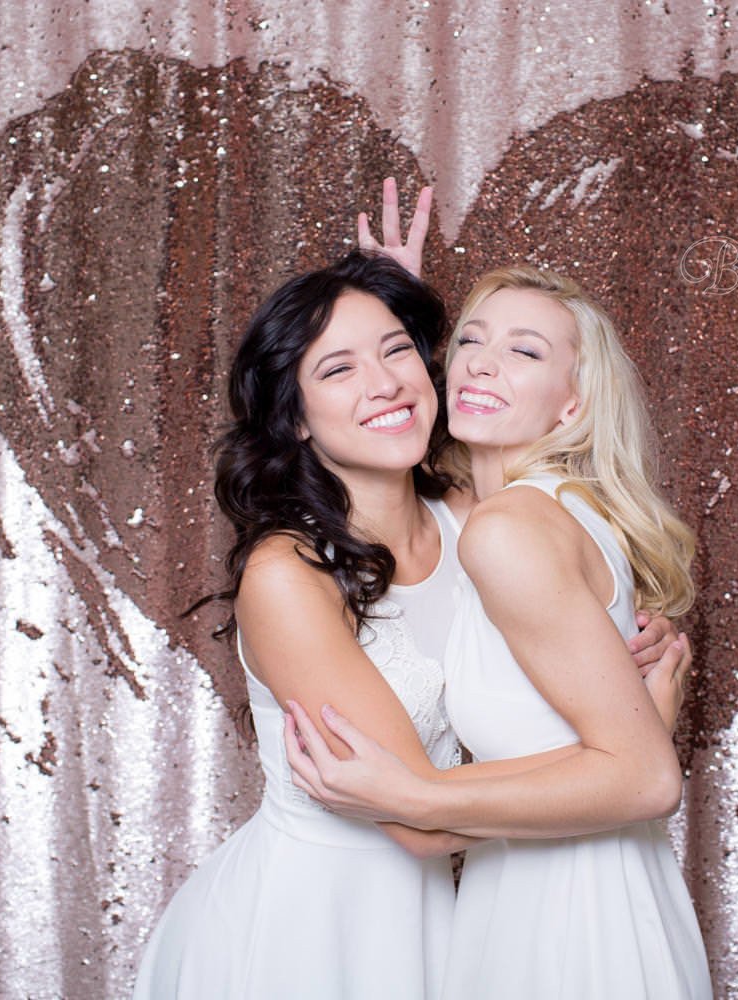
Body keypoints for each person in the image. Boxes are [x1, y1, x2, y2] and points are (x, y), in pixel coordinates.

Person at [132, 250, 687, 999]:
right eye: (338, 370)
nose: (386, 382)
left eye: (398, 352)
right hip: (311, 930)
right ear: (293, 418)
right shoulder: (287, 577)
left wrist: (636, 646)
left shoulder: (477, 520)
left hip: (452, 920)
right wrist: (626, 748)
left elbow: (566, 595)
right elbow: (417, 817)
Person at [284, 186, 712, 998]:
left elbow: (647, 779)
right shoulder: (539, 512)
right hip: (580, 898)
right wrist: (389, 318)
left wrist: (416, 795)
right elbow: (400, 457)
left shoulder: (507, 528)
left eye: (526, 352)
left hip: (567, 926)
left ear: (574, 403)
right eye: (470, 342)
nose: (482, 362)